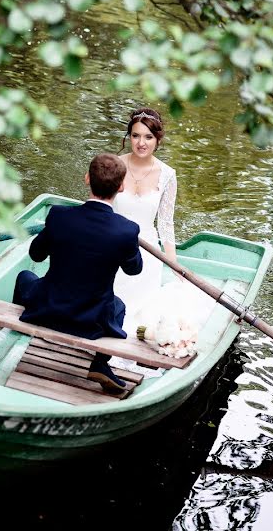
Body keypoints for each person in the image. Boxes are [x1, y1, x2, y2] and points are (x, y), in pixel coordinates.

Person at [12, 153, 142, 393]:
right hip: (90, 320)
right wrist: (129, 243)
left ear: (86, 179)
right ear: (121, 187)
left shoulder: (59, 216)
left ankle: (17, 340)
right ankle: (100, 363)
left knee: (24, 277)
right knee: (119, 306)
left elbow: (35, 255)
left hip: (48, 308)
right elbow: (134, 269)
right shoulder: (127, 230)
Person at [112, 107, 212, 358]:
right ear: (129, 136)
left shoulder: (167, 175)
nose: (141, 143)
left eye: (148, 137)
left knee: (145, 310)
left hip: (145, 251)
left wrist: (173, 263)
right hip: (111, 247)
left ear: (158, 140)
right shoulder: (114, 165)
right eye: (135, 136)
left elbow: (166, 223)